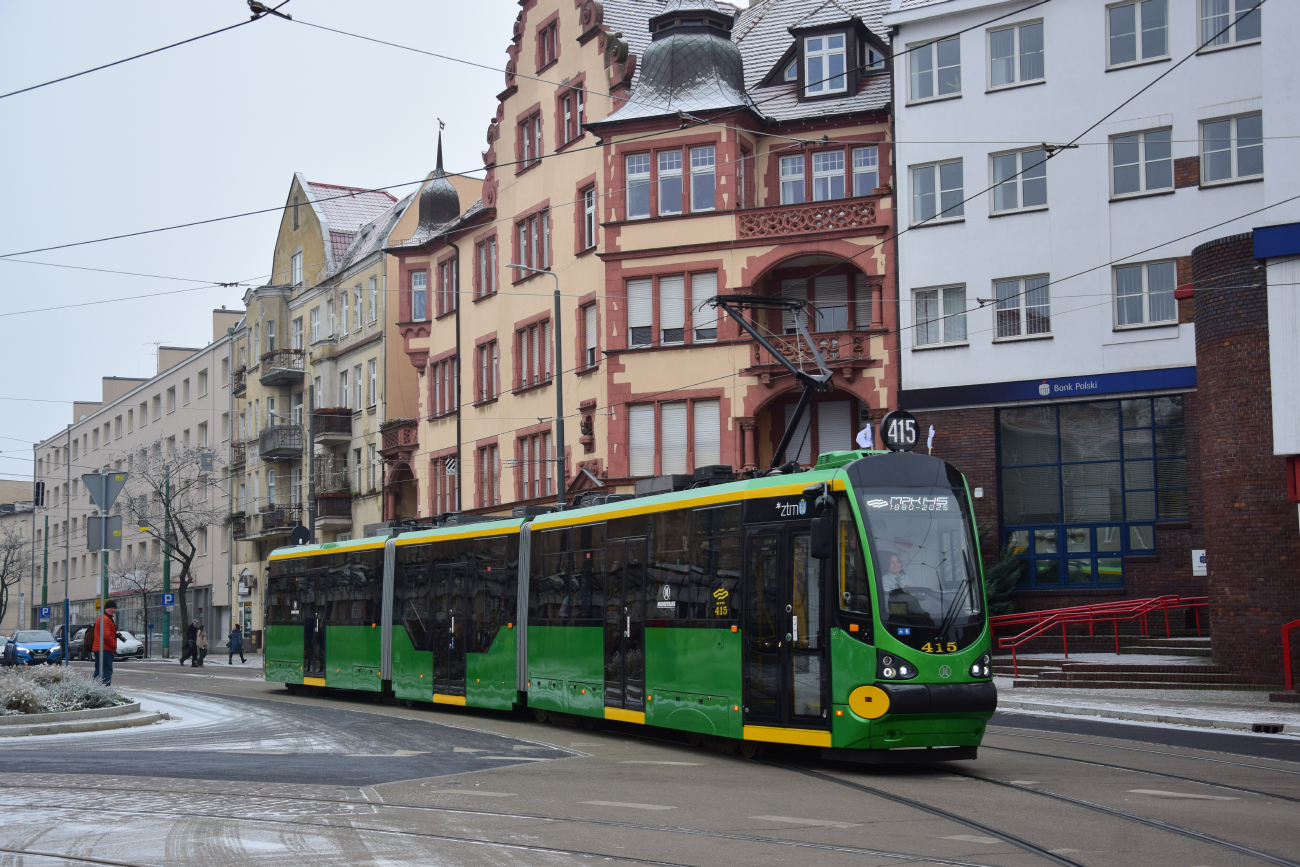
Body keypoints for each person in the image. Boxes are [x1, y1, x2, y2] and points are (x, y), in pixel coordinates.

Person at [90, 600, 118, 686]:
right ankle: (105, 690)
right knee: (107, 671)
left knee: (98, 671)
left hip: (99, 648)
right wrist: (113, 645)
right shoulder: (105, 619)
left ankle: (94, 689)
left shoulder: (103, 618)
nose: (113, 610)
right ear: (106, 609)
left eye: (114, 608)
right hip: (105, 649)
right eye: (111, 608)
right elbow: (106, 635)